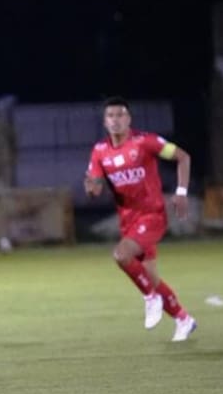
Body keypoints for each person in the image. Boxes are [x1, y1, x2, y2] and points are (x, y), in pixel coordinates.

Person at [84, 96, 197, 341]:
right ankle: (183, 319)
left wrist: (181, 192)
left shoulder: (146, 142)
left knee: (121, 255)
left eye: (120, 115)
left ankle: (150, 297)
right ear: (105, 122)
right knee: (150, 276)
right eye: (111, 116)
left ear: (129, 119)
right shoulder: (100, 151)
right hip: (129, 222)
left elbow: (183, 157)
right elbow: (94, 185)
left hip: (153, 215)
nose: (116, 120)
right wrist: (92, 189)